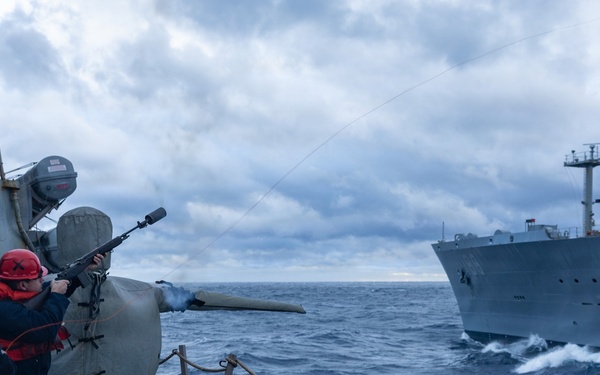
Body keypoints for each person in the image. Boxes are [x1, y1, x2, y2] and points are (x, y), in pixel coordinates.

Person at [0, 249, 102, 375]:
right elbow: (45, 328)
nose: (43, 280)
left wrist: (84, 268)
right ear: (23, 285)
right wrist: (57, 296)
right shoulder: (5, 310)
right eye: (38, 278)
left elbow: (51, 291)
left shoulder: (21, 294)